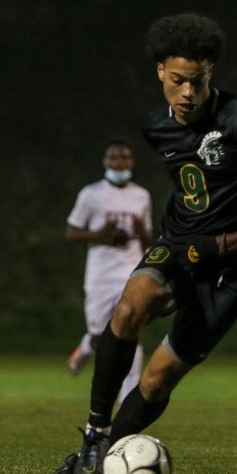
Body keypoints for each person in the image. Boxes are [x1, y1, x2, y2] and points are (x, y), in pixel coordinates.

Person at [39, 13, 237, 474]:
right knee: (127, 310)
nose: (188, 93)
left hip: (232, 270)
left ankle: (83, 465)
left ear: (211, 74)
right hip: (177, 246)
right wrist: (185, 242)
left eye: (197, 82)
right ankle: (93, 435)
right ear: (160, 72)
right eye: (177, 81)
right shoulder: (157, 127)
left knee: (156, 381)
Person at [64, 139, 151, 409]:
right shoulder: (91, 194)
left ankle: (127, 397)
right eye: (114, 159)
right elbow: (72, 232)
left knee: (133, 328)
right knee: (101, 334)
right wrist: (100, 235)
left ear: (131, 163)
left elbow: (147, 238)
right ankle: (86, 345)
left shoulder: (141, 195)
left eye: (124, 159)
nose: (119, 163)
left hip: (131, 269)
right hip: (101, 272)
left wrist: (140, 230)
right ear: (106, 162)